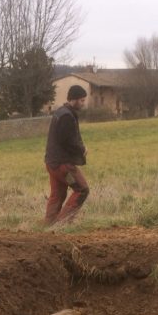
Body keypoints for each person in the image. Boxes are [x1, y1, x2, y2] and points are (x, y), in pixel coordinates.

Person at [44, 84, 89, 225]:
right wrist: (82, 149)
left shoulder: (60, 112)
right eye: (81, 100)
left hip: (52, 163)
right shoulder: (67, 117)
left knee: (58, 194)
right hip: (63, 165)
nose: (83, 103)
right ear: (74, 99)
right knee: (82, 190)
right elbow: (68, 141)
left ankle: (49, 224)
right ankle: (62, 224)